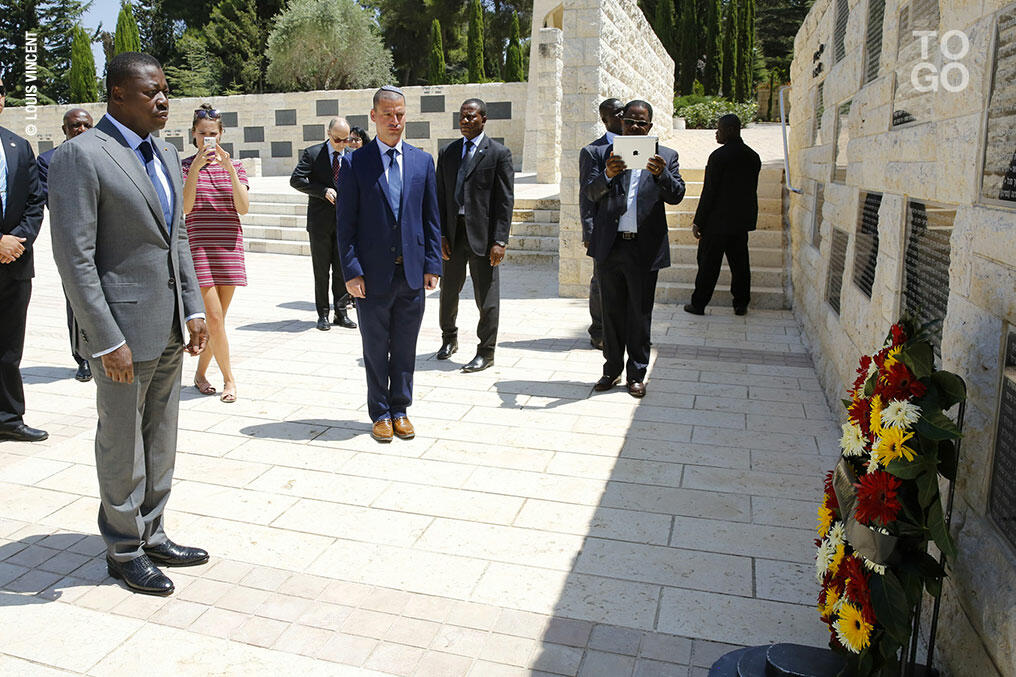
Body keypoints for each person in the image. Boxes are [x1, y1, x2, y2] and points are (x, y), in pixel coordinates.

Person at [49, 52, 210, 596]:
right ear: (117, 95)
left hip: (166, 327)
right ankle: (123, 550)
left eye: (166, 90)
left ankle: (153, 530)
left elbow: (177, 238)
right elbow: (75, 259)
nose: (163, 100)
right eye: (151, 92)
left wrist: (192, 307)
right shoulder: (80, 156)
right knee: (122, 442)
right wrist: (105, 337)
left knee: (160, 434)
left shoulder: (164, 152)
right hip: (120, 334)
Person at [337, 85, 441, 443]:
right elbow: (345, 223)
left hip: (411, 273)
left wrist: (432, 264)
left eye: (400, 114)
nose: (395, 121)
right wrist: (351, 271)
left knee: (406, 347)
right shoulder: (355, 162)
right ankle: (380, 412)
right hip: (372, 277)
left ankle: (401, 409)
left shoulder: (422, 161)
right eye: (387, 115)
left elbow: (431, 218)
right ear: (373, 117)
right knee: (375, 347)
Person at [582, 99, 686, 398]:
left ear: (650, 127)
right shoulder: (601, 154)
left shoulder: (666, 156)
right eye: (630, 121)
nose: (635, 127)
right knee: (611, 312)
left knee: (640, 314)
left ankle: (637, 374)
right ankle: (611, 370)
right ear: (620, 122)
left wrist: (662, 174)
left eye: (642, 123)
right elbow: (589, 193)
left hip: (644, 249)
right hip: (611, 248)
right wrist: (608, 175)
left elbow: (677, 195)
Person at [435, 98, 514, 372]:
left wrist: (500, 241)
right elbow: (440, 197)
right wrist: (441, 234)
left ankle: (486, 351)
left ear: (484, 119)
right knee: (448, 292)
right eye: (462, 116)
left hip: (484, 238)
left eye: (471, 117)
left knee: (487, 298)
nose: (466, 121)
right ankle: (449, 338)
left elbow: (505, 201)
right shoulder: (447, 152)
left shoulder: (498, 154)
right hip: (453, 236)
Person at [181, 103, 250, 402]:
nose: (207, 139)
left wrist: (230, 170)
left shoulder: (236, 166)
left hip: (228, 247)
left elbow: (243, 208)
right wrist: (196, 166)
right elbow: (184, 208)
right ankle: (230, 380)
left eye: (212, 134)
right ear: (193, 135)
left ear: (221, 134)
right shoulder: (184, 166)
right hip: (199, 248)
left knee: (216, 321)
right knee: (214, 318)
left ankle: (199, 374)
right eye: (201, 134)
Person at [0, 75, 48, 442]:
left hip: (14, 265)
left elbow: (35, 201)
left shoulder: (19, 146)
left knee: (9, 347)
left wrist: (17, 241)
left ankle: (9, 417)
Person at [37, 108, 95, 383]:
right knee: (77, 301)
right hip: (72, 244)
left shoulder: (103, 155)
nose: (80, 130)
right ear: (64, 130)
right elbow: (53, 201)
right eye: (74, 126)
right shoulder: (48, 161)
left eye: (86, 125)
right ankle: (82, 357)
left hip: (107, 239)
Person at [685, 114, 761, 316]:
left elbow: (709, 191)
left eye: (719, 129)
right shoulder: (753, 156)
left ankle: (699, 304)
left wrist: (698, 221)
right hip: (740, 223)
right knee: (740, 265)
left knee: (708, 265)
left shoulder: (718, 157)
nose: (716, 133)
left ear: (730, 130)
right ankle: (741, 303)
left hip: (716, 224)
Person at [291, 117, 357, 331]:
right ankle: (323, 315)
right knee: (321, 271)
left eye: (346, 140)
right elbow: (297, 180)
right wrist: (322, 191)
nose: (342, 144)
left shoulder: (353, 157)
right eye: (338, 139)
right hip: (319, 223)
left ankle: (341, 313)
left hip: (344, 223)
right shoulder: (313, 153)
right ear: (329, 133)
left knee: (341, 270)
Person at [579, 98, 623, 351]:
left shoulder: (641, 147)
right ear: (605, 119)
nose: (623, 115)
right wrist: (589, 230)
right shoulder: (593, 151)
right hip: (603, 229)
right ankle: (598, 330)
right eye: (617, 113)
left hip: (631, 228)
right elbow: (586, 195)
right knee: (601, 282)